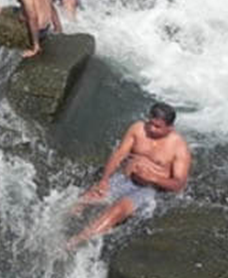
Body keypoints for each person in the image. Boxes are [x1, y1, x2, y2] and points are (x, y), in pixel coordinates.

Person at [68, 102, 191, 248]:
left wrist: (153, 178)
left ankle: (76, 241)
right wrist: (104, 180)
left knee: (118, 209)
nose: (152, 129)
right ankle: (61, 225)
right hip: (126, 179)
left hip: (149, 189)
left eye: (158, 127)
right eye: (150, 123)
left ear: (170, 128)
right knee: (86, 199)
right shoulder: (138, 129)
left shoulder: (179, 147)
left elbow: (179, 184)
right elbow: (119, 154)